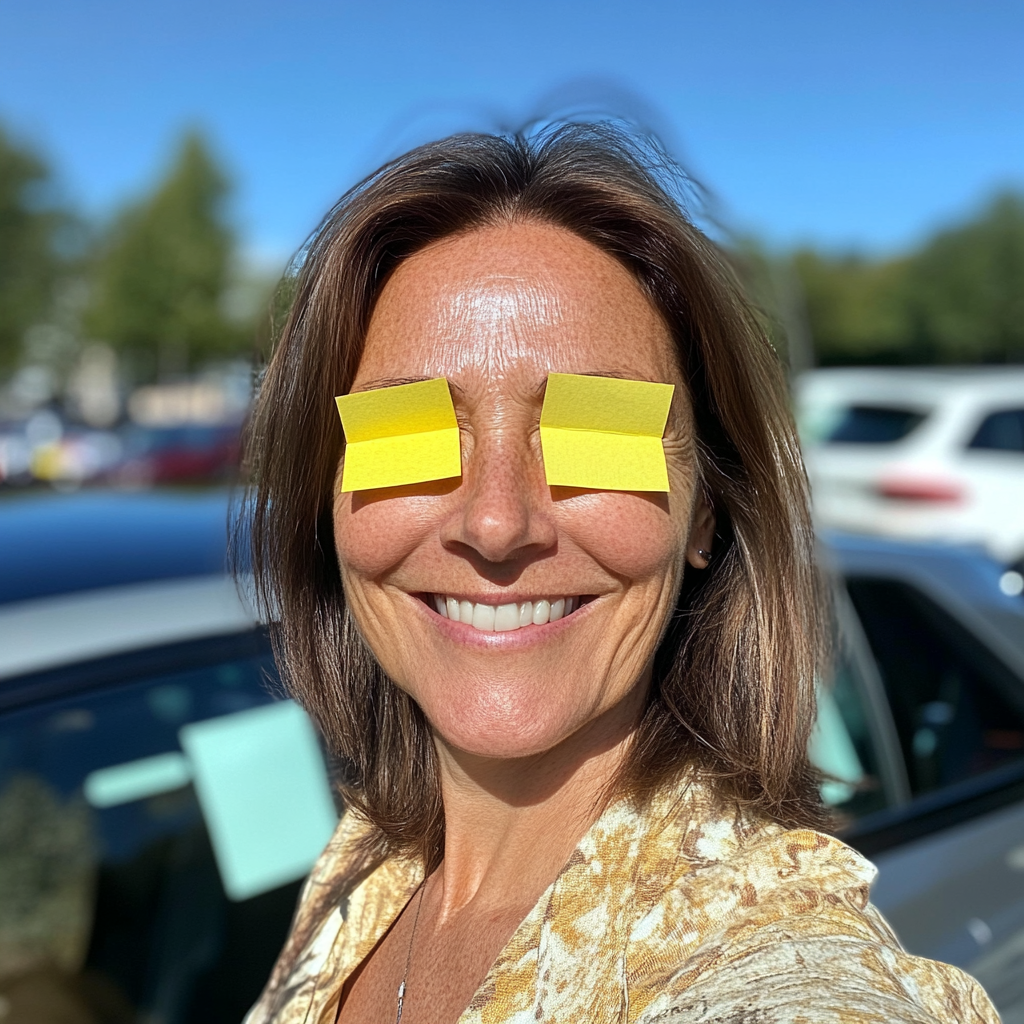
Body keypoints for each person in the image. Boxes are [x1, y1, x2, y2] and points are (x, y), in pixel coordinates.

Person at [241, 124, 997, 1024]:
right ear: (328, 502)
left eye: (595, 438)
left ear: (704, 514)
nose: (495, 522)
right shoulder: (369, 858)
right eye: (404, 439)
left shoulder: (782, 978)